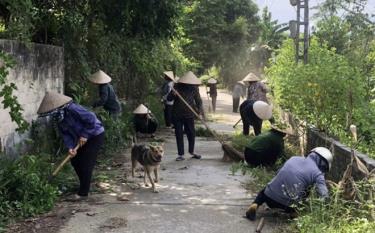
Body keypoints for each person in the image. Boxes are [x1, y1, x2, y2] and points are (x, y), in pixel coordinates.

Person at [37, 92, 105, 201]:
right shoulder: (59, 119)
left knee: (86, 163)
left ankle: (83, 193)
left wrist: (85, 134)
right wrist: (70, 147)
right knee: (75, 161)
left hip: (94, 135)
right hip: (80, 140)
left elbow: (91, 118)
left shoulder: (73, 109)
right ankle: (84, 184)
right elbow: (66, 135)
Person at [246, 147, 333, 221]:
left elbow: (278, 173)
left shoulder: (293, 158)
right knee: (306, 190)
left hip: (268, 196)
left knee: (264, 192)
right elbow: (324, 195)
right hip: (287, 205)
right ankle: (294, 213)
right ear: (323, 163)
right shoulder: (318, 174)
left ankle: (255, 204)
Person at [167, 71, 203, 161]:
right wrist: (173, 94)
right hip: (177, 114)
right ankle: (180, 154)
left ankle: (192, 151)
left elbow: (199, 101)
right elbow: (169, 98)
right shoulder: (177, 86)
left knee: (191, 133)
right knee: (179, 133)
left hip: (189, 114)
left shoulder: (194, 88)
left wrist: (199, 112)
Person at [222, 124, 292, 166]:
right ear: (282, 133)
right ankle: (266, 165)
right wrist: (288, 163)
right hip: (255, 157)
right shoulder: (278, 139)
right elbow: (281, 155)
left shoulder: (267, 133)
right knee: (275, 151)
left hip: (247, 152)